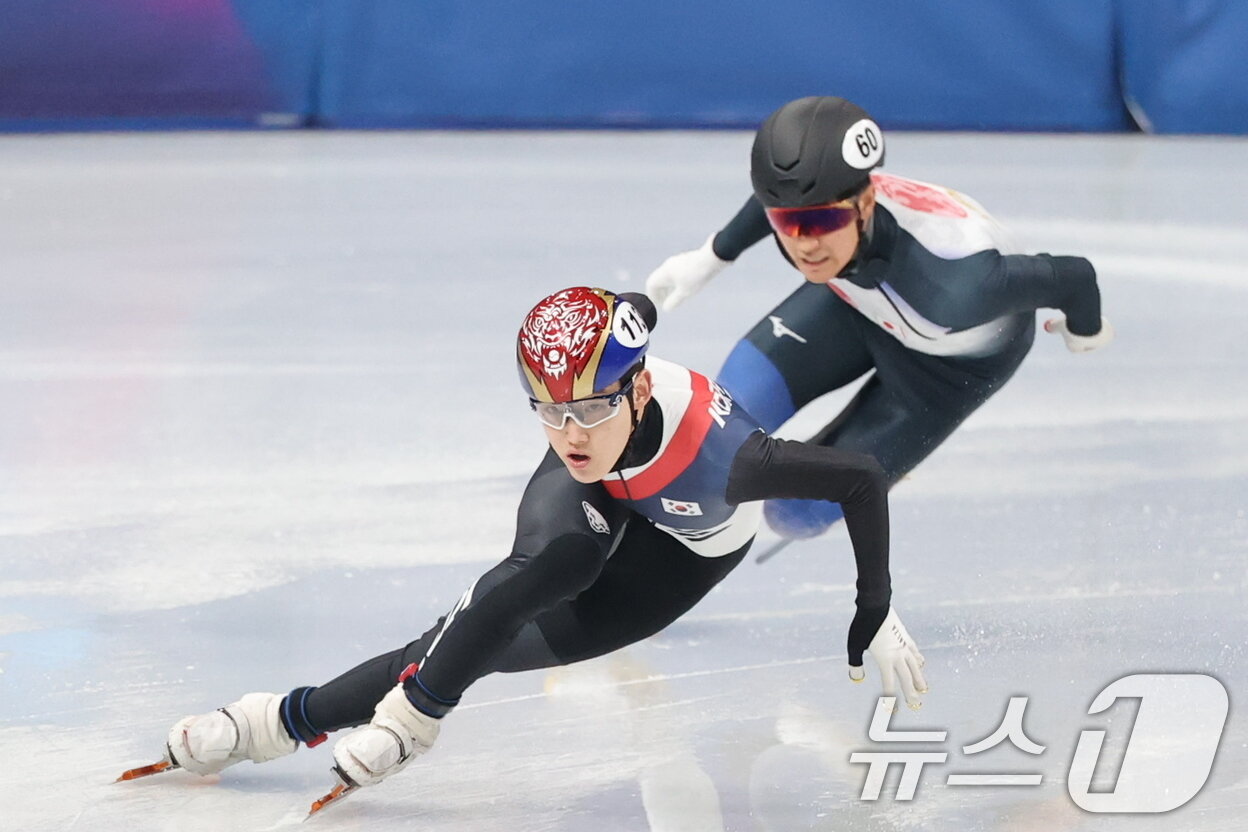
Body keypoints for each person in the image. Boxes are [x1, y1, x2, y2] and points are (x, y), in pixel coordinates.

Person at [137, 287, 926, 804]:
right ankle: (282, 719)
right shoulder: (583, 429)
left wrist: (874, 607)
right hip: (609, 492)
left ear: (640, 390)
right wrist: (414, 708)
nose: (567, 434)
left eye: (585, 409)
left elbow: (859, 476)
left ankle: (381, 715)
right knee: (522, 584)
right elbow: (615, 352)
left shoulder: (737, 461)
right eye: (545, 411)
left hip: (687, 548)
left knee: (504, 646)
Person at [646, 96, 1113, 540]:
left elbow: (1073, 275)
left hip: (947, 373)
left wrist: (1085, 330)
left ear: (866, 204)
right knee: (717, 422)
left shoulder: (958, 284)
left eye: (824, 223)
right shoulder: (822, 210)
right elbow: (779, 198)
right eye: (788, 225)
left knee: (794, 513)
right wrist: (710, 256)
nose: (806, 243)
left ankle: (891, 452)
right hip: (853, 307)